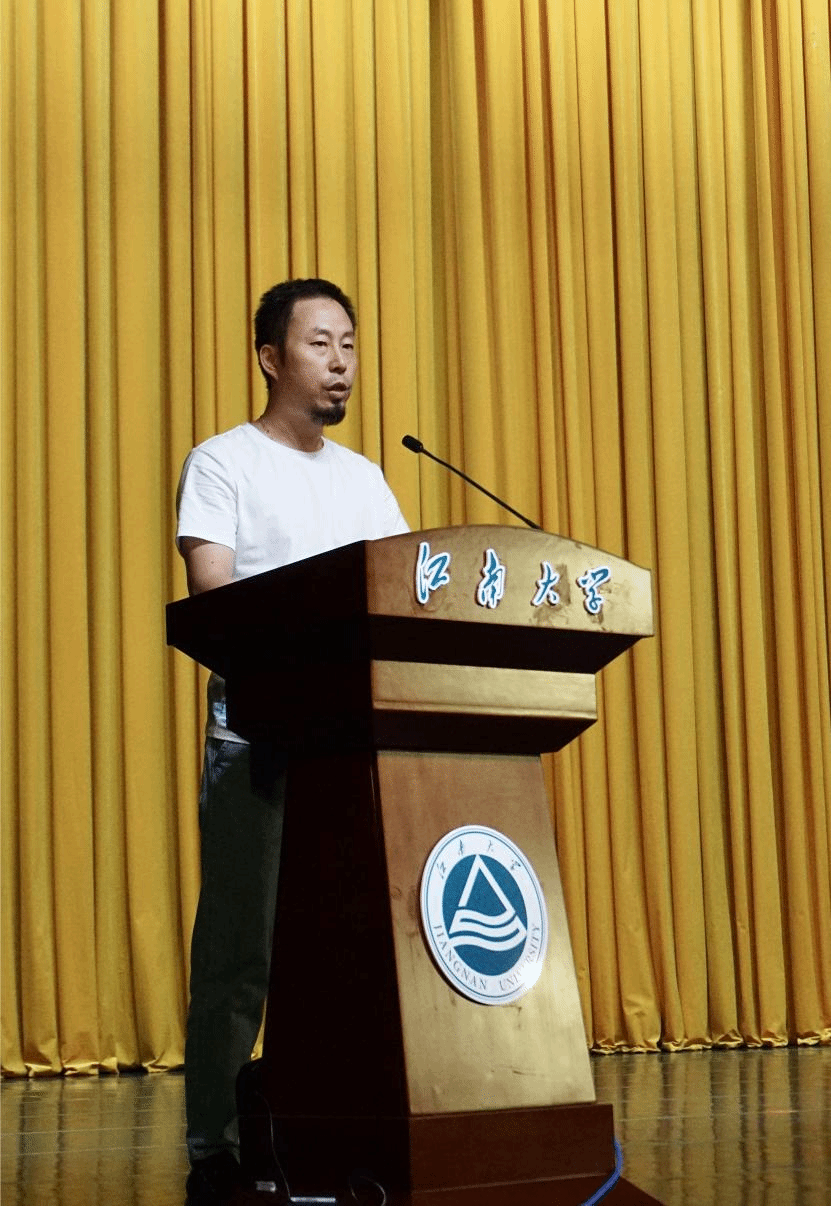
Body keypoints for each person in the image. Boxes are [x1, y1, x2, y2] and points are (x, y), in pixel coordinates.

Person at [175, 279, 409, 1204]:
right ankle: (216, 1143)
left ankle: (337, 1121)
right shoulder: (222, 463)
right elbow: (213, 594)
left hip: (354, 742)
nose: (340, 362)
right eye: (320, 343)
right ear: (271, 357)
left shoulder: (365, 479)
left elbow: (402, 596)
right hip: (260, 734)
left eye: (348, 343)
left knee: (351, 944)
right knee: (242, 948)